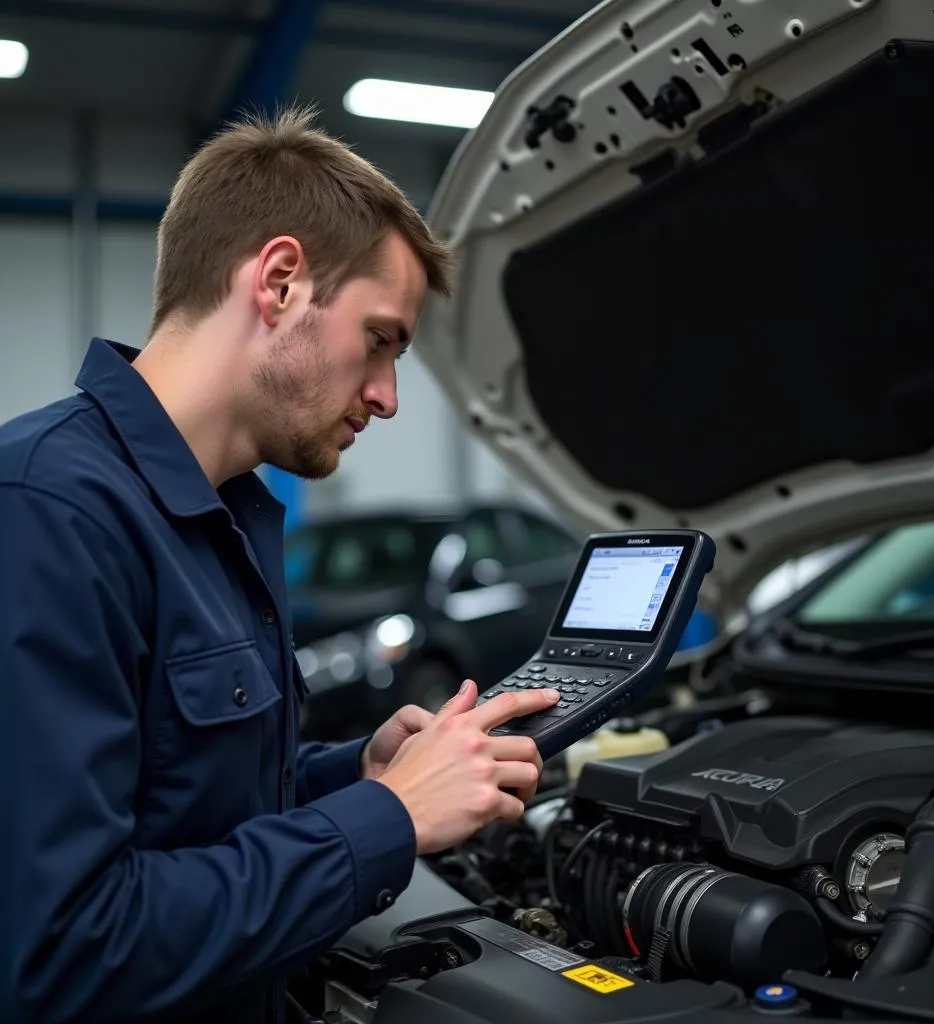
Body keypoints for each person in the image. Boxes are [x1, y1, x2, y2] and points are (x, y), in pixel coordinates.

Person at [0, 106, 561, 1024]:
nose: (385, 395)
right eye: (379, 340)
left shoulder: (228, 514)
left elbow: (187, 812)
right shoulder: (47, 514)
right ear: (281, 281)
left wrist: (360, 776)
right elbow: (60, 949)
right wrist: (389, 822)